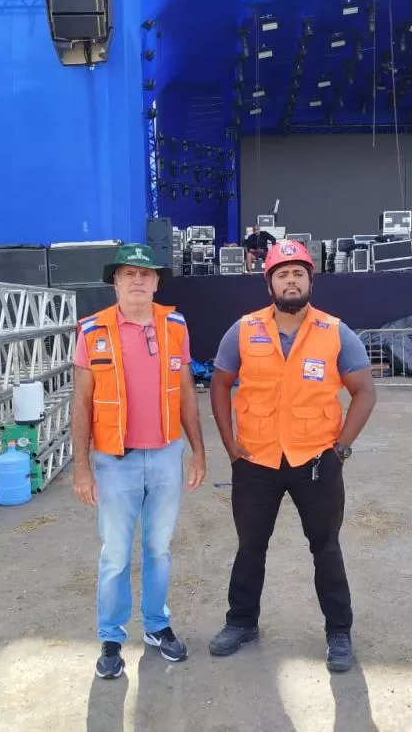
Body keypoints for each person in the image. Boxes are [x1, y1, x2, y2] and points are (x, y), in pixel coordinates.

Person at [206, 240, 376, 672]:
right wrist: (229, 443)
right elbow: (219, 384)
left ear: (310, 281)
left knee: (326, 548)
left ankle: (339, 632)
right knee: (250, 547)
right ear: (270, 284)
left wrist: (341, 448)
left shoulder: (335, 332)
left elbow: (364, 392)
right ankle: (241, 622)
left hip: (316, 463)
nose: (291, 280)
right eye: (282, 274)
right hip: (256, 462)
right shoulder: (243, 330)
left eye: (298, 273)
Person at [71, 243, 207, 680]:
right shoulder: (92, 331)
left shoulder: (174, 326)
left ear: (156, 283)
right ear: (115, 281)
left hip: (166, 456)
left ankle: (156, 624)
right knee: (115, 555)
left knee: (158, 549)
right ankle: (111, 637)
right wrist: (81, 468)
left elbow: (186, 392)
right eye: (128, 273)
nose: (137, 280)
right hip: (115, 462)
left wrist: (198, 451)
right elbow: (81, 402)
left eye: (145, 274)